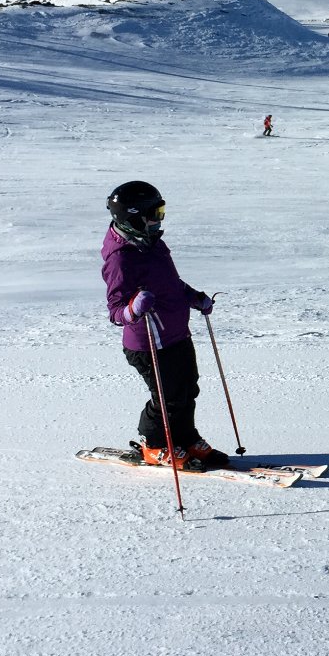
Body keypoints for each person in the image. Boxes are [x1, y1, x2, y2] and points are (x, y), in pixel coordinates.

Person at [101, 181, 228, 470]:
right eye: (154, 214)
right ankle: (154, 444)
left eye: (161, 212)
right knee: (167, 398)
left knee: (188, 389)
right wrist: (134, 309)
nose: (159, 220)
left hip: (177, 334)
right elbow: (116, 312)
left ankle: (185, 438)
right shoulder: (120, 259)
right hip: (149, 343)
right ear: (133, 217)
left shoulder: (154, 245)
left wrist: (193, 297)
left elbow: (170, 284)